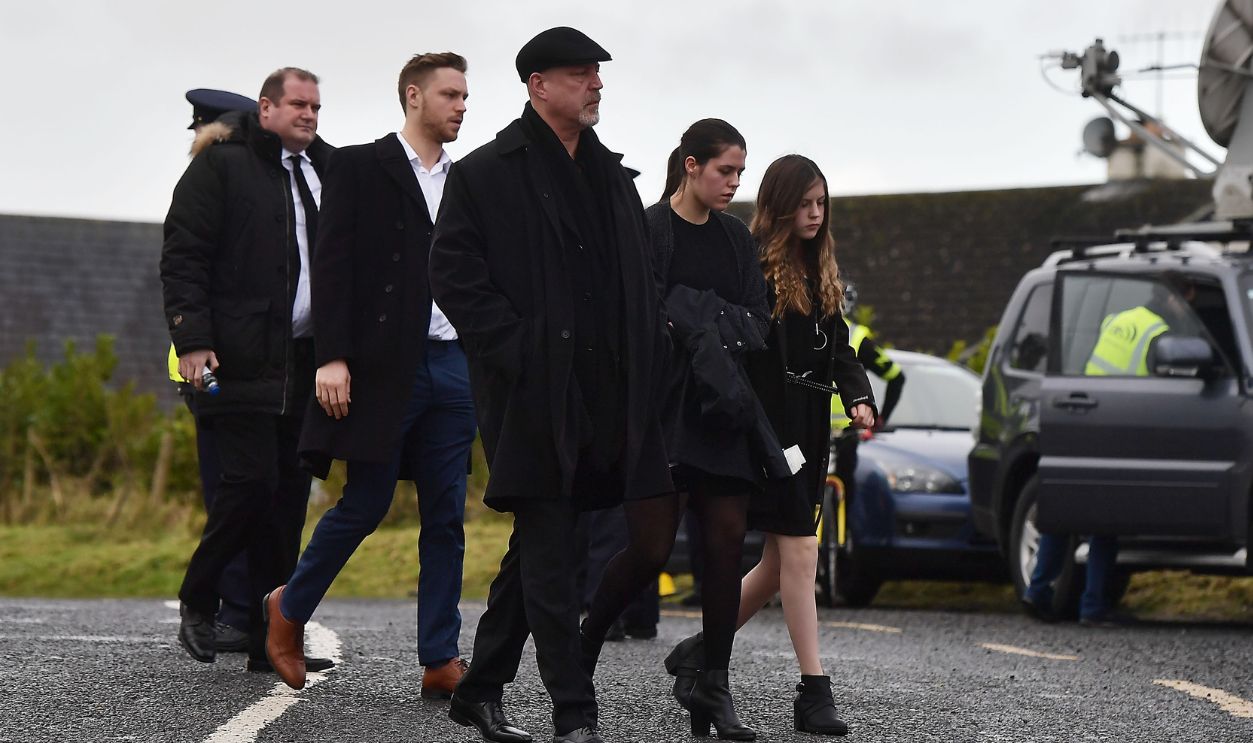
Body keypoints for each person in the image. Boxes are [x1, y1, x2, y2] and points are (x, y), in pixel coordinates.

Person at [428, 27, 672, 743]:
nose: (595, 84)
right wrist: (519, 350)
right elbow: (453, 275)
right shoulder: (484, 175)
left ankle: (479, 688)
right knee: (553, 549)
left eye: (596, 73)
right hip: (529, 394)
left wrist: (647, 350)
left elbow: (641, 284)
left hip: (604, 397)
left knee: (542, 542)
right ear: (538, 85)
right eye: (578, 74)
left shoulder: (613, 179)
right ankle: (575, 712)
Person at [262, 52, 476, 694]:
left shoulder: (468, 181)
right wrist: (332, 355)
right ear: (414, 96)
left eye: (466, 95)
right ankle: (289, 608)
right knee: (366, 503)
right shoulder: (358, 165)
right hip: (385, 367)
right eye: (451, 94)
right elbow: (331, 265)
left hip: (454, 363)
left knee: (446, 517)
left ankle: (440, 658)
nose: (462, 105)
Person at [581, 119, 791, 743]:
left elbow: (758, 319)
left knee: (726, 545)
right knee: (648, 548)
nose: (733, 183)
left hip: (723, 412)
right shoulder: (649, 230)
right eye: (725, 170)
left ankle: (713, 684)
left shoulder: (734, 238)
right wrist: (704, 322)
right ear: (691, 165)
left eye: (740, 172)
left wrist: (695, 317)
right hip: (663, 413)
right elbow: (642, 318)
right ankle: (582, 655)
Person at [666, 155, 875, 737]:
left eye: (822, 203)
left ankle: (697, 655)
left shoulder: (822, 270)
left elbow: (840, 352)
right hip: (767, 429)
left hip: (811, 428)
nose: (815, 214)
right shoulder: (752, 263)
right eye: (805, 204)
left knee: (778, 562)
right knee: (802, 554)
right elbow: (737, 351)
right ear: (780, 205)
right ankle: (813, 691)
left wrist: (859, 396)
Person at [161, 67, 333, 674]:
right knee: (248, 486)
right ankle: (198, 597)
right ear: (265, 109)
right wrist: (194, 341)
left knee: (287, 500)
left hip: (303, 368)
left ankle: (269, 635)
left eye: (316, 105)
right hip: (231, 362)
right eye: (297, 104)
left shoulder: (322, 172)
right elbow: (184, 256)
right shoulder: (223, 167)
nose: (309, 115)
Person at [1023, 271, 1195, 627]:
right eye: (1188, 298)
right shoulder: (1159, 334)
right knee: (1105, 522)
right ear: (1178, 296)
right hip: (1116, 425)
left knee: (1065, 512)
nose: (1189, 306)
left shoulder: (1122, 318)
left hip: (1082, 416)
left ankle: (1038, 591)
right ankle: (1093, 607)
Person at [165, 87, 260, 654]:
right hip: (214, 369)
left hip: (222, 365)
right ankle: (232, 610)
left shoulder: (214, 179)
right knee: (235, 490)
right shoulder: (225, 186)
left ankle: (241, 613)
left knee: (238, 491)